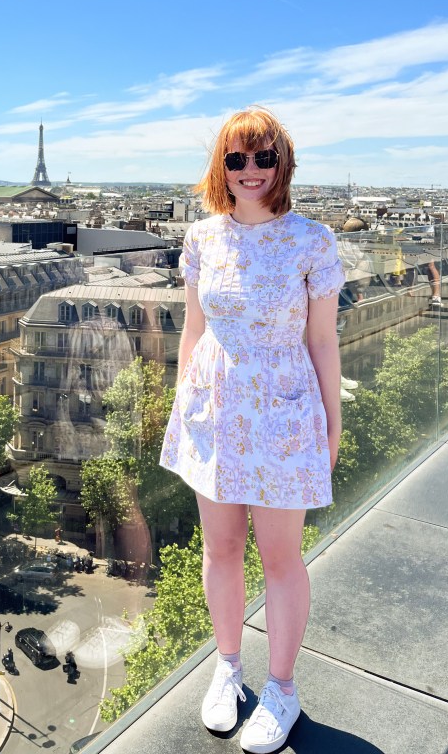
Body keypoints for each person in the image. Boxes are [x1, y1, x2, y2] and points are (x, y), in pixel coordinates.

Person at [160, 107, 344, 754]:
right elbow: (193, 331)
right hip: (214, 410)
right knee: (221, 548)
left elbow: (323, 341)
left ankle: (283, 688)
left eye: (263, 156)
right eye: (236, 159)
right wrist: (184, 405)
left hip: (284, 410)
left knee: (281, 556)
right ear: (221, 167)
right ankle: (229, 667)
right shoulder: (201, 239)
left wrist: (332, 421)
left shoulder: (312, 240)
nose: (250, 171)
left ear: (282, 161)